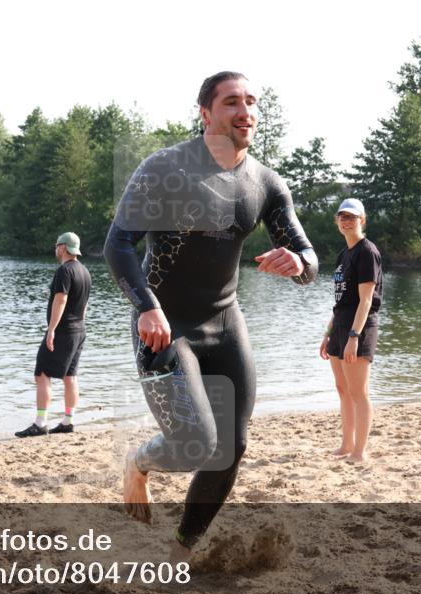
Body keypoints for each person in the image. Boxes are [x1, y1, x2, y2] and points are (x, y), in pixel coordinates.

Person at [104, 71, 318, 560]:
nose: (245, 112)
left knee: (232, 446)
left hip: (225, 323)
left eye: (251, 102)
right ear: (205, 113)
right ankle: (138, 463)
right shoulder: (166, 168)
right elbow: (118, 243)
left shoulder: (265, 183)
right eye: (231, 102)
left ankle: (183, 547)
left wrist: (299, 262)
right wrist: (146, 306)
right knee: (196, 443)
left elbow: (309, 258)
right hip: (164, 325)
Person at [318, 198, 382, 463]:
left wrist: (354, 337)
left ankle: (359, 452)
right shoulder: (343, 254)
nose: (346, 221)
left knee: (359, 392)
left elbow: (365, 301)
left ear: (362, 220)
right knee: (342, 389)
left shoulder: (367, 251)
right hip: (341, 324)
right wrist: (328, 333)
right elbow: (340, 302)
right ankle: (346, 445)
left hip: (360, 327)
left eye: (351, 217)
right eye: (342, 217)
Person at [15, 232, 92, 437]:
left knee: (42, 374)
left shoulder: (64, 270)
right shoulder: (84, 271)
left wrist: (51, 330)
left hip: (63, 331)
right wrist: (79, 325)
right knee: (70, 376)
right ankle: (68, 421)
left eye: (57, 245)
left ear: (63, 247)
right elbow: (85, 305)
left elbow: (61, 299)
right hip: (79, 329)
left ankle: (40, 423)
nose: (55, 249)